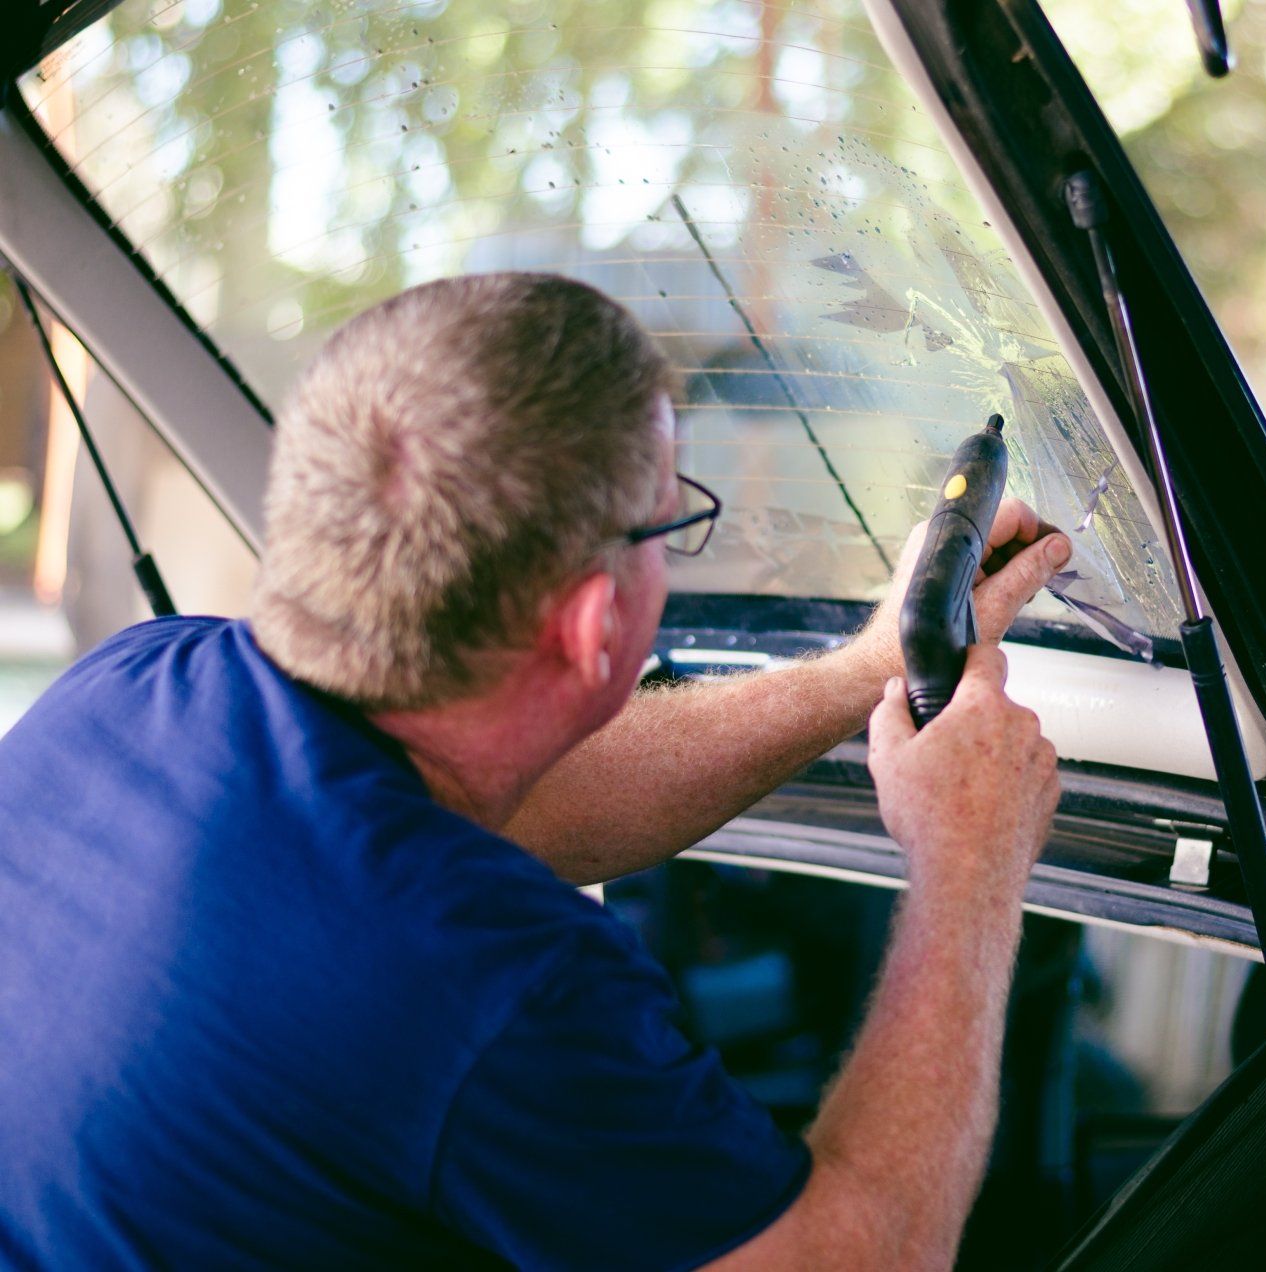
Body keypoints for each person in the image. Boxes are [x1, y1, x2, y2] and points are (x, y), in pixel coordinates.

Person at [0, 273, 1072, 1268]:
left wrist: (871, 667)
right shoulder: (492, 984)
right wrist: (969, 862)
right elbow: (860, 1258)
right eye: (673, 520)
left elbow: (519, 814)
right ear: (595, 619)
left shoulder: (133, 687)